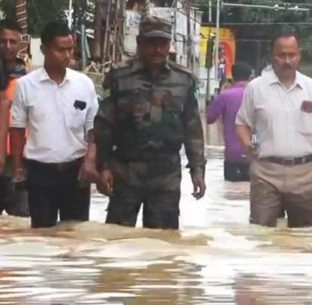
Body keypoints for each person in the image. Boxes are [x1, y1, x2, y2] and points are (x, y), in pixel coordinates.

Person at [93, 15, 206, 230]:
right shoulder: (120, 77)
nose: (157, 50)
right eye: (151, 43)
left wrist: (197, 171)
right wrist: (103, 167)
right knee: (117, 240)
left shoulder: (183, 80)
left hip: (166, 174)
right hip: (126, 171)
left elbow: (192, 130)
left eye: (162, 43)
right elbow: (104, 126)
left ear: (169, 44)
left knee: (163, 246)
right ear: (139, 43)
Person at [235, 33, 312, 228]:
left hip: (304, 174)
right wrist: (247, 145)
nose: (287, 61)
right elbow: (242, 123)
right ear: (272, 56)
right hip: (266, 173)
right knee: (261, 234)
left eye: (292, 55)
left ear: (299, 56)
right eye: (281, 55)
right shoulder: (255, 88)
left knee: (304, 237)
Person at [9, 21, 99, 228]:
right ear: (44, 50)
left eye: (70, 49)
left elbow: (93, 128)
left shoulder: (84, 84)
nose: (67, 55)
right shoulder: (26, 86)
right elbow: (17, 129)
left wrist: (90, 162)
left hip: (76, 173)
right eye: (60, 50)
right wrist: (17, 170)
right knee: (42, 236)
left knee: (75, 236)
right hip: (40, 174)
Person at [207, 61, 253, 181]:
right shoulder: (258, 95)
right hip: (255, 156)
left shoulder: (225, 96)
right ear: (250, 76)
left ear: (232, 76)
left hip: (232, 156)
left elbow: (209, 119)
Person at [0, 20, 28, 218]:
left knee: (21, 218)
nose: (8, 46)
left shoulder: (27, 78)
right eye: (3, 41)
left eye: (12, 41)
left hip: (18, 158)